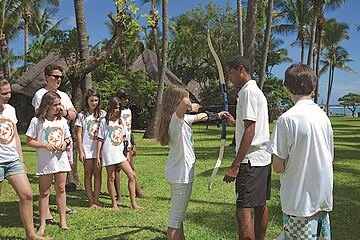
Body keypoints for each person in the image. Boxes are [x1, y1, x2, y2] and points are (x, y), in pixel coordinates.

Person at [267, 64, 333, 240]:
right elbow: (329, 157)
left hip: (298, 202)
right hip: (322, 198)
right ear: (314, 85)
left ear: (287, 87)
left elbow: (278, 166)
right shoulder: (323, 117)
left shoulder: (286, 120)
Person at [156, 86, 226, 240]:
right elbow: (186, 103)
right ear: (176, 102)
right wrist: (189, 104)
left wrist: (219, 115)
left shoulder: (181, 120)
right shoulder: (175, 120)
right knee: (175, 219)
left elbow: (199, 117)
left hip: (178, 173)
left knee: (178, 217)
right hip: (181, 175)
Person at [222, 55, 271, 240]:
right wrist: (235, 122)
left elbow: (250, 131)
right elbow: (250, 126)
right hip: (262, 158)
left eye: (231, 72)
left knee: (243, 211)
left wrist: (235, 166)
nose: (229, 77)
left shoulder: (247, 92)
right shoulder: (256, 91)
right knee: (260, 205)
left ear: (241, 69)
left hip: (250, 160)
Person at [0, 79, 52, 240]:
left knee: (27, 194)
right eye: (4, 93)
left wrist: (20, 160)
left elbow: (15, 135)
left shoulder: (10, 110)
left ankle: (31, 235)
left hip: (12, 160)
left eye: (9, 92)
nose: (8, 96)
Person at [31, 64, 77, 223]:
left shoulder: (63, 95)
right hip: (48, 142)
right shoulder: (40, 94)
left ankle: (62, 209)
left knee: (61, 181)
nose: (58, 80)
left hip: (63, 139)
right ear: (46, 77)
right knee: (46, 184)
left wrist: (63, 112)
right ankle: (48, 214)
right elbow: (42, 115)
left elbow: (73, 114)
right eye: (55, 76)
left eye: (60, 77)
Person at [26, 91, 72, 236]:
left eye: (59, 104)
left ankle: (63, 220)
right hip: (46, 162)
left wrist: (65, 143)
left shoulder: (62, 121)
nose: (59, 107)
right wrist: (44, 145)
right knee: (45, 192)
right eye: (55, 105)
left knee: (61, 189)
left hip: (61, 160)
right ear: (47, 105)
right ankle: (42, 224)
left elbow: (68, 138)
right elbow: (29, 141)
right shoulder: (37, 121)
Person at [96, 97, 143, 210]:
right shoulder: (104, 121)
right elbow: (100, 139)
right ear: (110, 108)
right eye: (115, 107)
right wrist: (98, 156)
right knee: (111, 177)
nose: (117, 110)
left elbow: (124, 137)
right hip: (108, 152)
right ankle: (114, 203)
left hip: (119, 152)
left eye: (119, 108)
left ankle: (133, 203)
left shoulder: (121, 121)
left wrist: (127, 151)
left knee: (132, 175)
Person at [75, 89, 105, 208]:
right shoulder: (82, 115)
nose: (94, 103)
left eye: (96, 100)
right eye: (91, 100)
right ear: (87, 101)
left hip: (99, 150)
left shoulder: (103, 114)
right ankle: (90, 201)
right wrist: (80, 150)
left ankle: (96, 199)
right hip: (87, 149)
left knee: (98, 174)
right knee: (88, 174)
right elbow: (78, 133)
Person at [114, 90, 144, 203]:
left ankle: (137, 192)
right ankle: (119, 195)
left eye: (127, 98)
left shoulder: (129, 111)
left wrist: (133, 144)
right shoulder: (116, 112)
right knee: (117, 170)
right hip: (117, 143)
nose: (126, 100)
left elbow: (129, 129)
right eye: (123, 98)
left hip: (128, 144)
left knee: (131, 168)